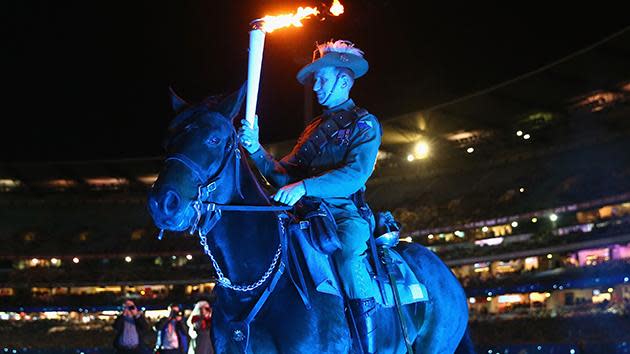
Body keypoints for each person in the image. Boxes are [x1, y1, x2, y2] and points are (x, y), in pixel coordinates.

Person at [238, 39, 381, 353]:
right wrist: (255, 150)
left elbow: (355, 175)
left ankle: (365, 344)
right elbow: (284, 174)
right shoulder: (314, 128)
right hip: (305, 214)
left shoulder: (365, 123)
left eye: (322, 79)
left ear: (343, 81)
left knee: (346, 257)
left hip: (344, 216)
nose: (315, 86)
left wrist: (304, 188)